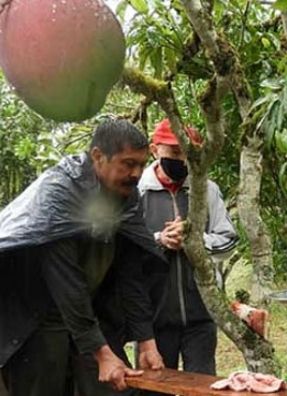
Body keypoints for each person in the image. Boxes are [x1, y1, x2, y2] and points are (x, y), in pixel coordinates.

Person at [0, 119, 166, 395]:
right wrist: (101, 354)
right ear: (98, 157)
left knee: (115, 388)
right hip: (34, 317)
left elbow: (131, 274)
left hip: (88, 311)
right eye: (127, 163)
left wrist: (146, 340)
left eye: (141, 164)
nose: (136, 173)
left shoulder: (127, 195)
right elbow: (66, 280)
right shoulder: (58, 192)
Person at [138, 119, 237, 380]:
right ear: (154, 149)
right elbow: (125, 248)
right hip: (153, 317)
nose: (181, 159)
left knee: (203, 386)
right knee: (153, 387)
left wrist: (196, 240)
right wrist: (159, 239)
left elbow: (228, 240)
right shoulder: (139, 192)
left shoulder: (206, 190)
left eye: (186, 152)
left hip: (201, 315)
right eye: (173, 152)